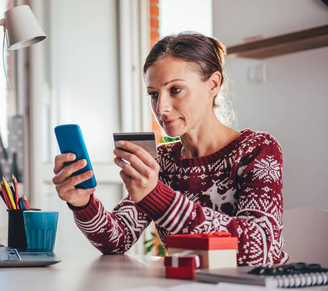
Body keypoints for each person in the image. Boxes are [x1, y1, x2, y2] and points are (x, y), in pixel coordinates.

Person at [52, 33, 288, 266]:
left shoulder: (257, 150)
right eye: (153, 94)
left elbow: (261, 248)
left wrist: (157, 197)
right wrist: (83, 203)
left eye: (175, 90)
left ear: (213, 84)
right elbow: (117, 240)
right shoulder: (164, 160)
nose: (161, 108)